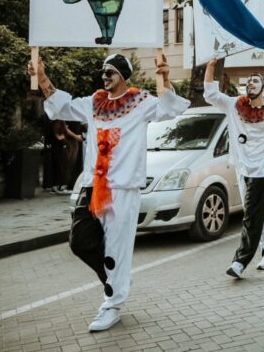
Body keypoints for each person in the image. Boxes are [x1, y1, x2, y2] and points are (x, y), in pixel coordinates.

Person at [30, 53, 189, 332]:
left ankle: (112, 304)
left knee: (117, 246)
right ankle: (117, 278)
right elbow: (62, 106)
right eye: (103, 71)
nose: (105, 76)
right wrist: (42, 77)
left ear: (124, 75)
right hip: (93, 184)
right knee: (79, 241)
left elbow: (170, 108)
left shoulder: (141, 101)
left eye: (111, 71)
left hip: (123, 187)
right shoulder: (94, 102)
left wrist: (164, 78)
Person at [204, 59, 264, 278]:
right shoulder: (234, 105)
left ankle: (240, 261)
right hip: (241, 167)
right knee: (254, 212)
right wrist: (210, 66)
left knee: (252, 215)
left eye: (256, 81)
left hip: (261, 169)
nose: (251, 83)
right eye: (249, 81)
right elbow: (211, 95)